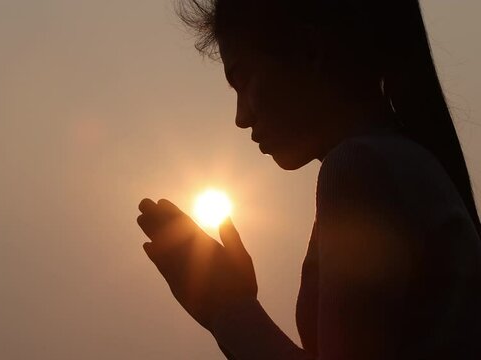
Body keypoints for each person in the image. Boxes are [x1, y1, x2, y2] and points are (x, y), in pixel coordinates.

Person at [136, 1, 481, 359]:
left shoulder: (360, 168)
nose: (241, 117)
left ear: (310, 52)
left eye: (243, 79)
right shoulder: (403, 164)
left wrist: (228, 308)